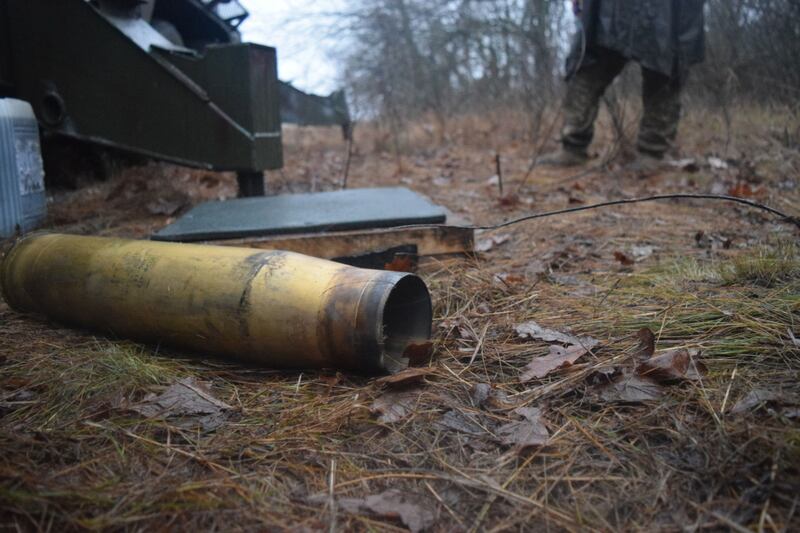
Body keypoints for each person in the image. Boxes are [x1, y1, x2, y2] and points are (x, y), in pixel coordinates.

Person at [539, 0, 706, 170]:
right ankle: (573, 147)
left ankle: (653, 153)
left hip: (667, 8)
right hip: (609, 8)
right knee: (587, 68)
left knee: (664, 71)